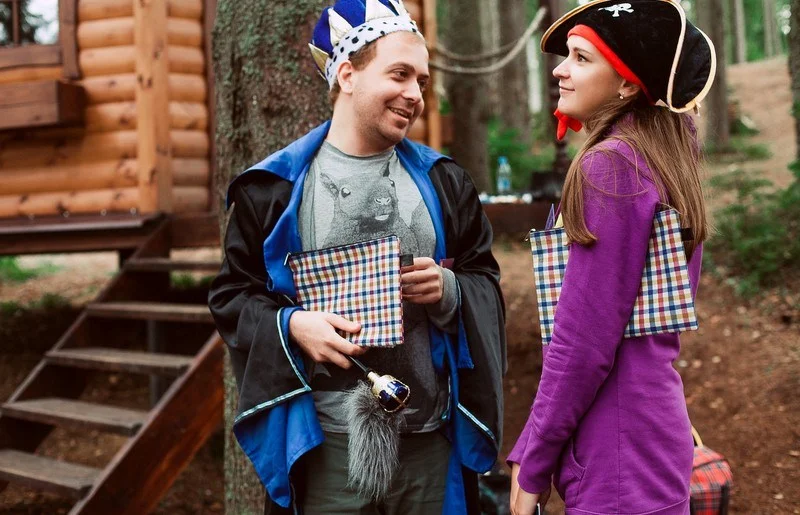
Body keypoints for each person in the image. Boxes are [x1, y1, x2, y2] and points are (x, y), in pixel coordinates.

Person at [208, 1, 506, 513]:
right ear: (347, 75)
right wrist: (293, 326)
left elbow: (486, 281)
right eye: (399, 74)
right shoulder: (274, 190)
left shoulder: (445, 182)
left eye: (421, 81)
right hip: (326, 451)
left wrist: (451, 290)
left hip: (429, 449)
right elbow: (232, 297)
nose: (415, 95)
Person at [507, 1, 715, 514]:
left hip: (615, 454)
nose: (559, 70)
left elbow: (582, 342)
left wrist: (533, 461)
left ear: (626, 84)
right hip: (652, 437)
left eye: (581, 58)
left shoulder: (611, 167)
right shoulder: (663, 157)